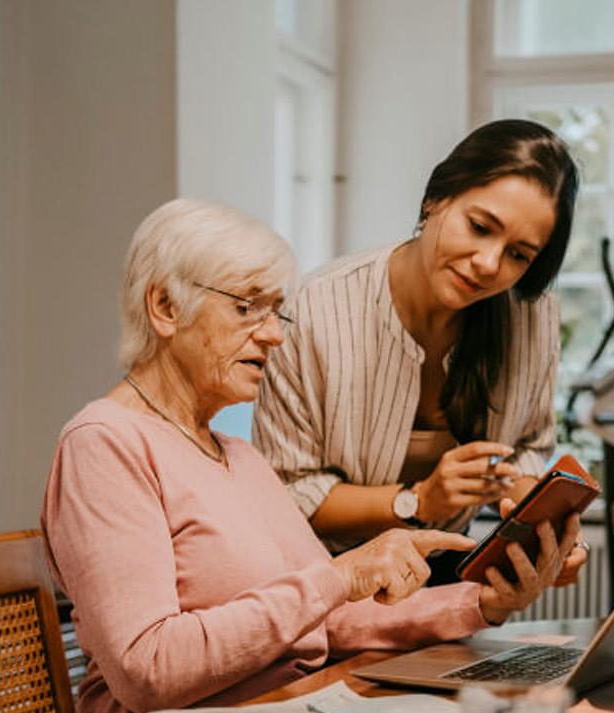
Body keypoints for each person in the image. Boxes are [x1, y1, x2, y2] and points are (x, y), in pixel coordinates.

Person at [41, 199, 579, 713]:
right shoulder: (105, 444)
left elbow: (328, 621)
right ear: (164, 307)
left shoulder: (237, 455)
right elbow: (147, 670)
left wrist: (480, 603)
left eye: (277, 312)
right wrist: (338, 576)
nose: (274, 335)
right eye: (248, 308)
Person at [252, 119, 589, 585]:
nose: (489, 264)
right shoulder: (315, 309)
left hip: (448, 579)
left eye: (519, 255)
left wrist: (544, 531)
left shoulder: (530, 317)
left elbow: (525, 452)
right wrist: (418, 500)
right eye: (479, 227)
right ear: (436, 198)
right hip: (326, 581)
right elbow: (287, 493)